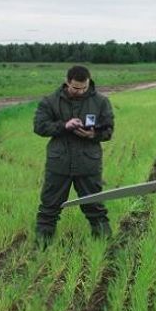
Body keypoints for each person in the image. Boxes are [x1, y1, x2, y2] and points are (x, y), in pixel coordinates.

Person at [33, 65, 114, 246]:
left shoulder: (101, 102)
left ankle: (105, 246)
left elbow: (108, 130)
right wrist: (64, 126)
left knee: (95, 206)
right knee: (49, 208)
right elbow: (39, 126)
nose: (81, 91)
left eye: (84, 88)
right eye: (76, 88)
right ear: (67, 82)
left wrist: (93, 134)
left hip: (88, 163)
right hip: (59, 163)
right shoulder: (50, 101)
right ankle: (41, 247)